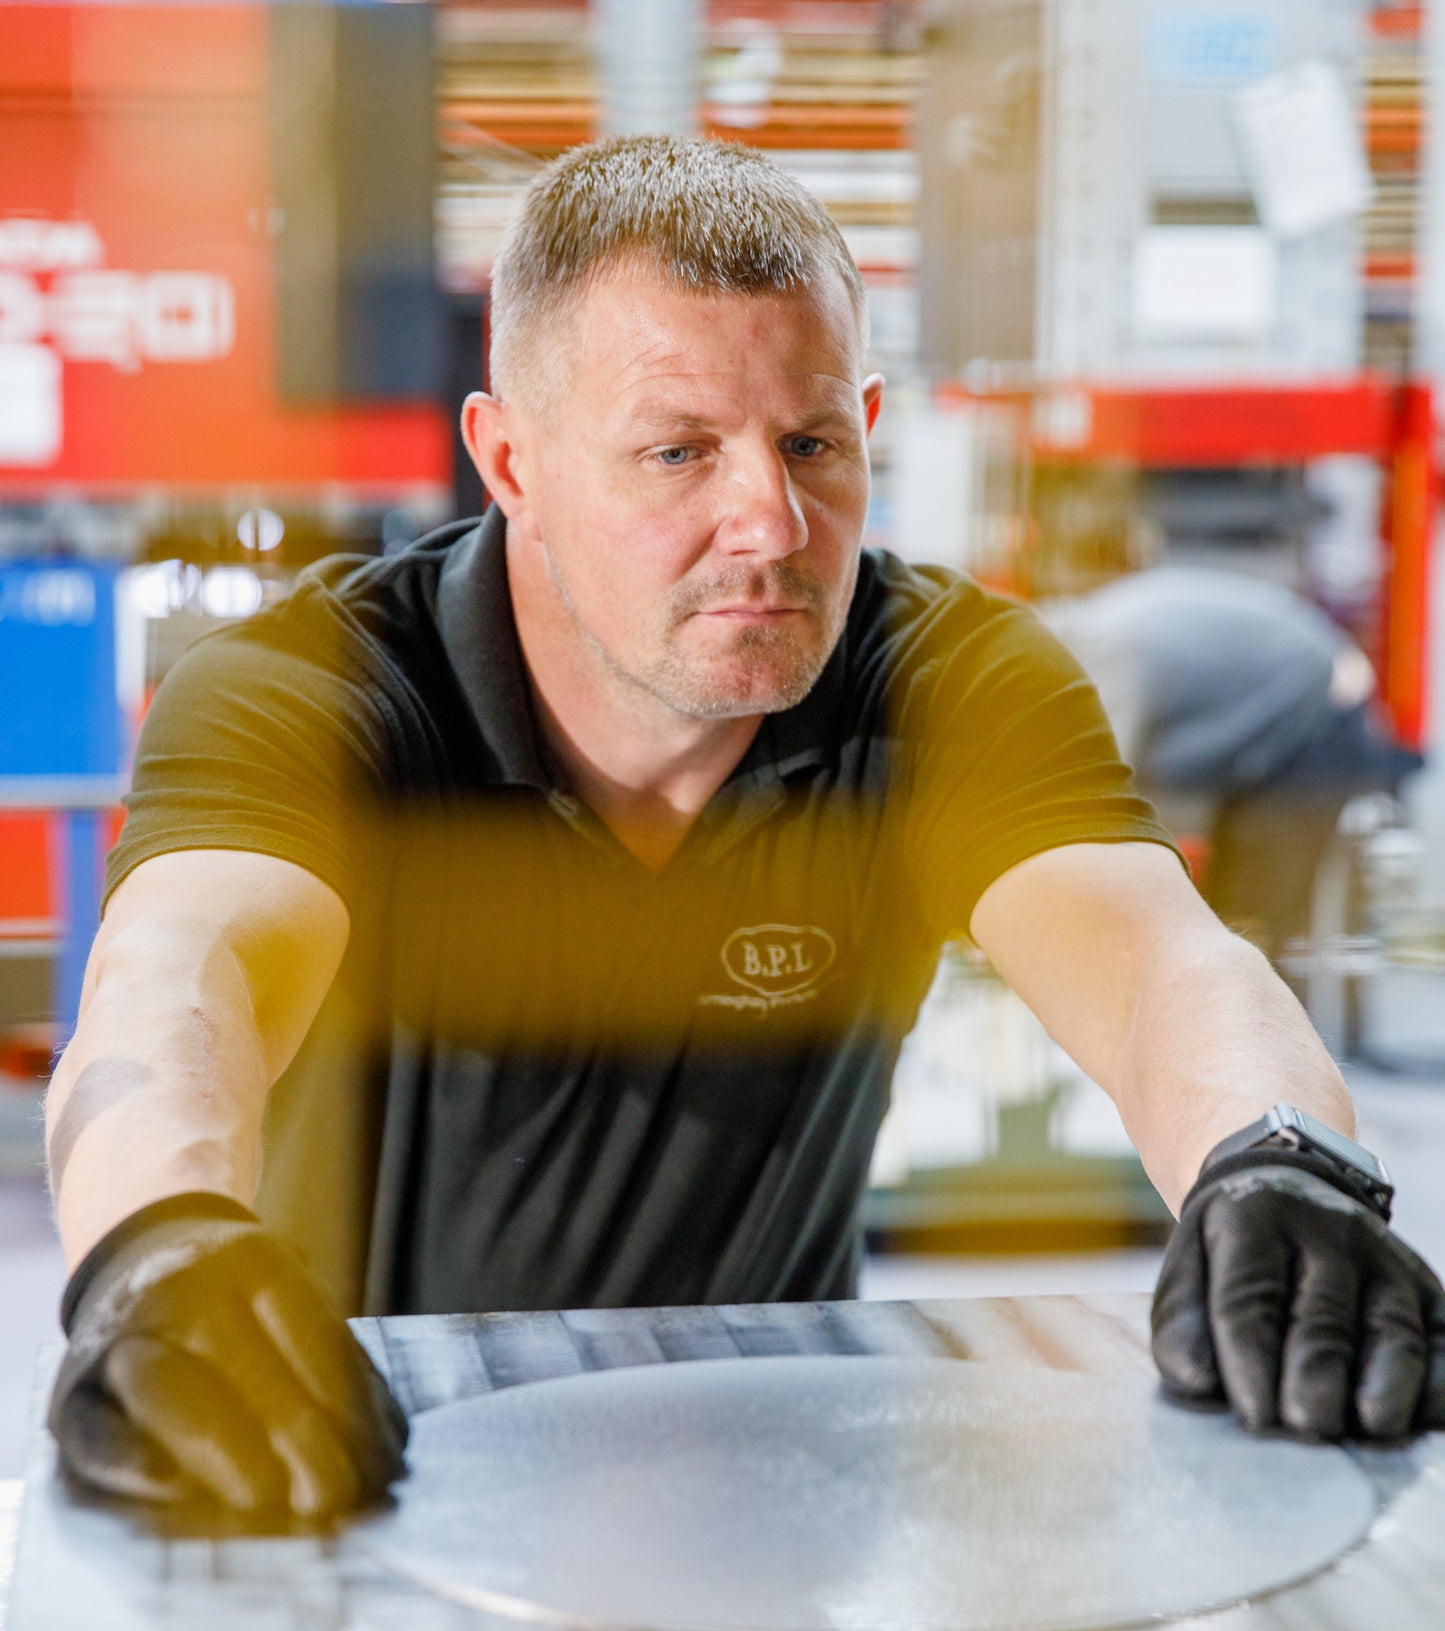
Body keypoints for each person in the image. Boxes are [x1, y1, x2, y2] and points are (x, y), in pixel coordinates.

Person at [44, 136, 1445, 1523]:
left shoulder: (943, 681)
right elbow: (181, 976)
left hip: (766, 1499)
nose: (768, 521)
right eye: (676, 451)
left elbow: (1155, 964)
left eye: (813, 442)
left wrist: (1277, 1156)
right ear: (509, 461)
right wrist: (156, 1243)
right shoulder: (317, 688)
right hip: (335, 1459)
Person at [1039, 565, 1421, 961]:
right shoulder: (1101, 628)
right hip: (1276, 735)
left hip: (1313, 723)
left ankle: (1269, 1019)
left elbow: (1098, 789)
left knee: (1253, 927)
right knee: (1224, 923)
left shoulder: (1105, 650)